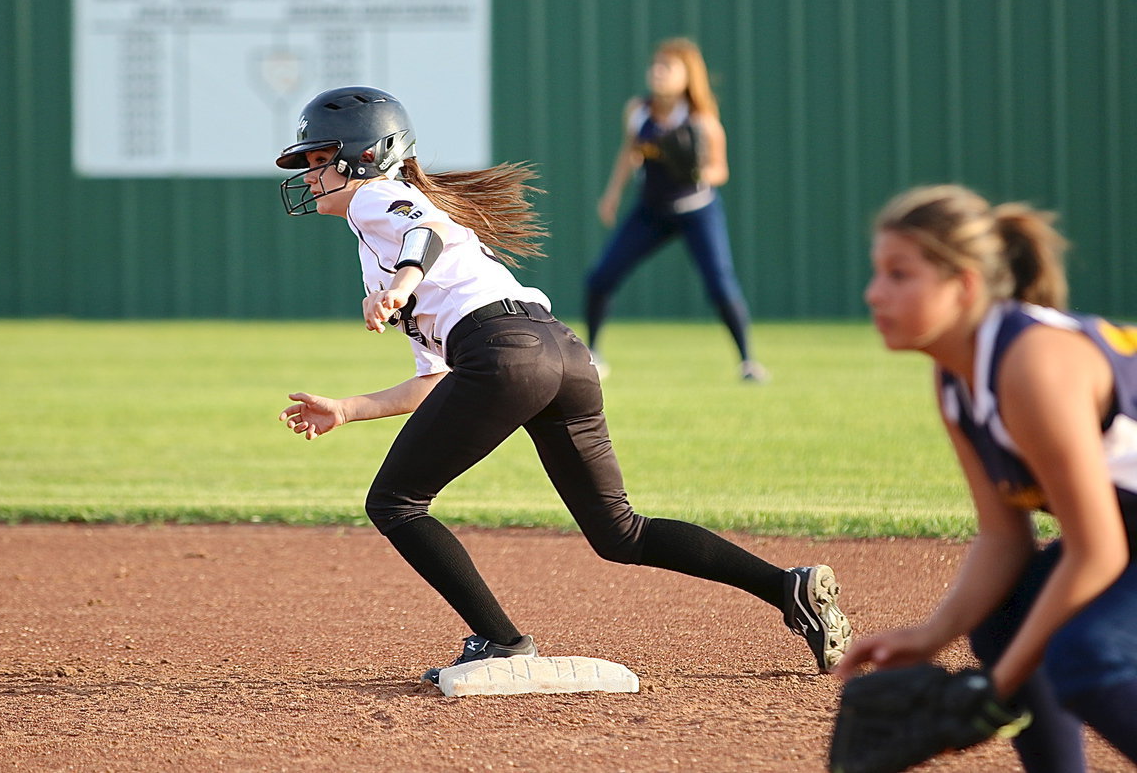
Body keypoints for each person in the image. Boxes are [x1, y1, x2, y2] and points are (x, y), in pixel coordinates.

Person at [273, 85, 851, 682]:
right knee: (620, 531)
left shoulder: (378, 198)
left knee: (394, 502)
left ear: (368, 156)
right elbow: (437, 381)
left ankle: (500, 641)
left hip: (504, 352)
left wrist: (399, 286)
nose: (310, 174)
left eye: (320, 160)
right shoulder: (379, 234)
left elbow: (427, 232)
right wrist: (347, 408)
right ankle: (789, 588)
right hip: (561, 353)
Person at [843, 184, 1137, 769]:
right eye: (878, 273)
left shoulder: (1032, 366)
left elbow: (1097, 552)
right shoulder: (957, 378)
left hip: (1118, 540)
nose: (874, 293)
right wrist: (934, 632)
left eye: (900, 275)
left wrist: (996, 688)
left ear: (965, 285)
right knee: (1003, 615)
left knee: (1088, 654)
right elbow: (1004, 539)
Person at [585, 38, 766, 381]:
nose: (657, 72)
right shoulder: (638, 111)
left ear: (687, 76)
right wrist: (612, 194)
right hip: (651, 211)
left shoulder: (701, 120)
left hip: (697, 211)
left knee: (720, 284)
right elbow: (629, 153)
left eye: (668, 67)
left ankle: (748, 362)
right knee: (601, 276)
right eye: (655, 65)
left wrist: (695, 171)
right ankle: (594, 353)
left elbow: (720, 171)